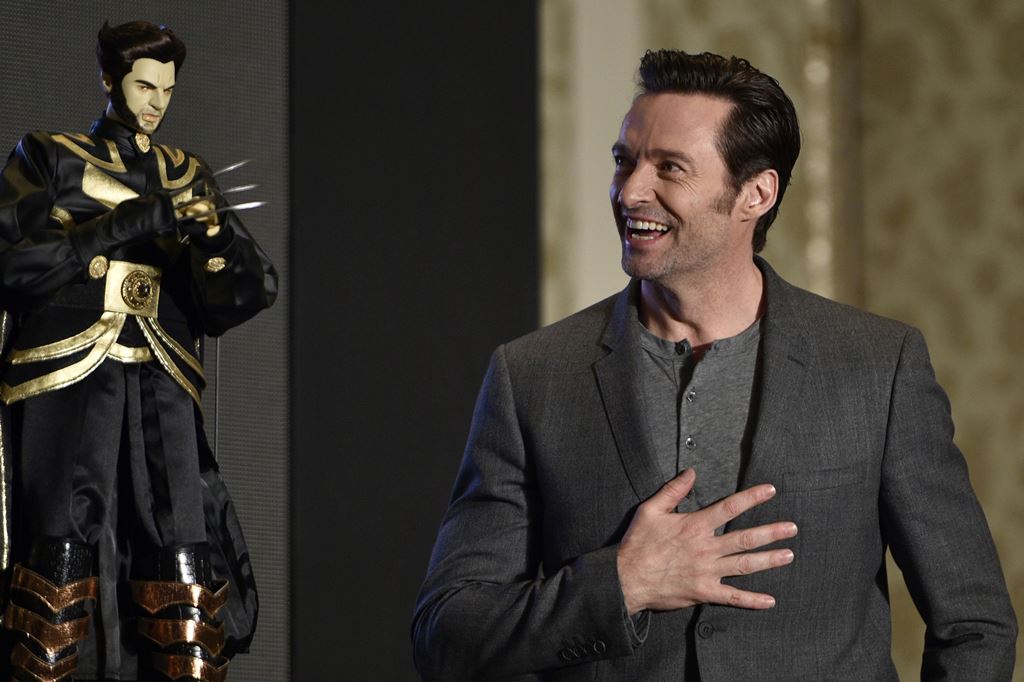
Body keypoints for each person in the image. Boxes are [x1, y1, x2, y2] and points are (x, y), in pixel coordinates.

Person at [412, 50, 1017, 680]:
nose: (630, 191)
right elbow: (448, 635)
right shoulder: (532, 375)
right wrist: (621, 584)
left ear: (755, 193)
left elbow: (974, 624)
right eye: (625, 161)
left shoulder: (877, 365)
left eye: (669, 167)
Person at [0, 20, 277, 681]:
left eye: (167, 90)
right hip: (70, 370)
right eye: (143, 84)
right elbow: (14, 266)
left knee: (181, 556)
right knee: (60, 555)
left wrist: (213, 234)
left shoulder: (187, 174)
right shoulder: (52, 156)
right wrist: (130, 224)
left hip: (161, 375)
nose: (155, 102)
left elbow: (250, 289)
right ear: (109, 80)